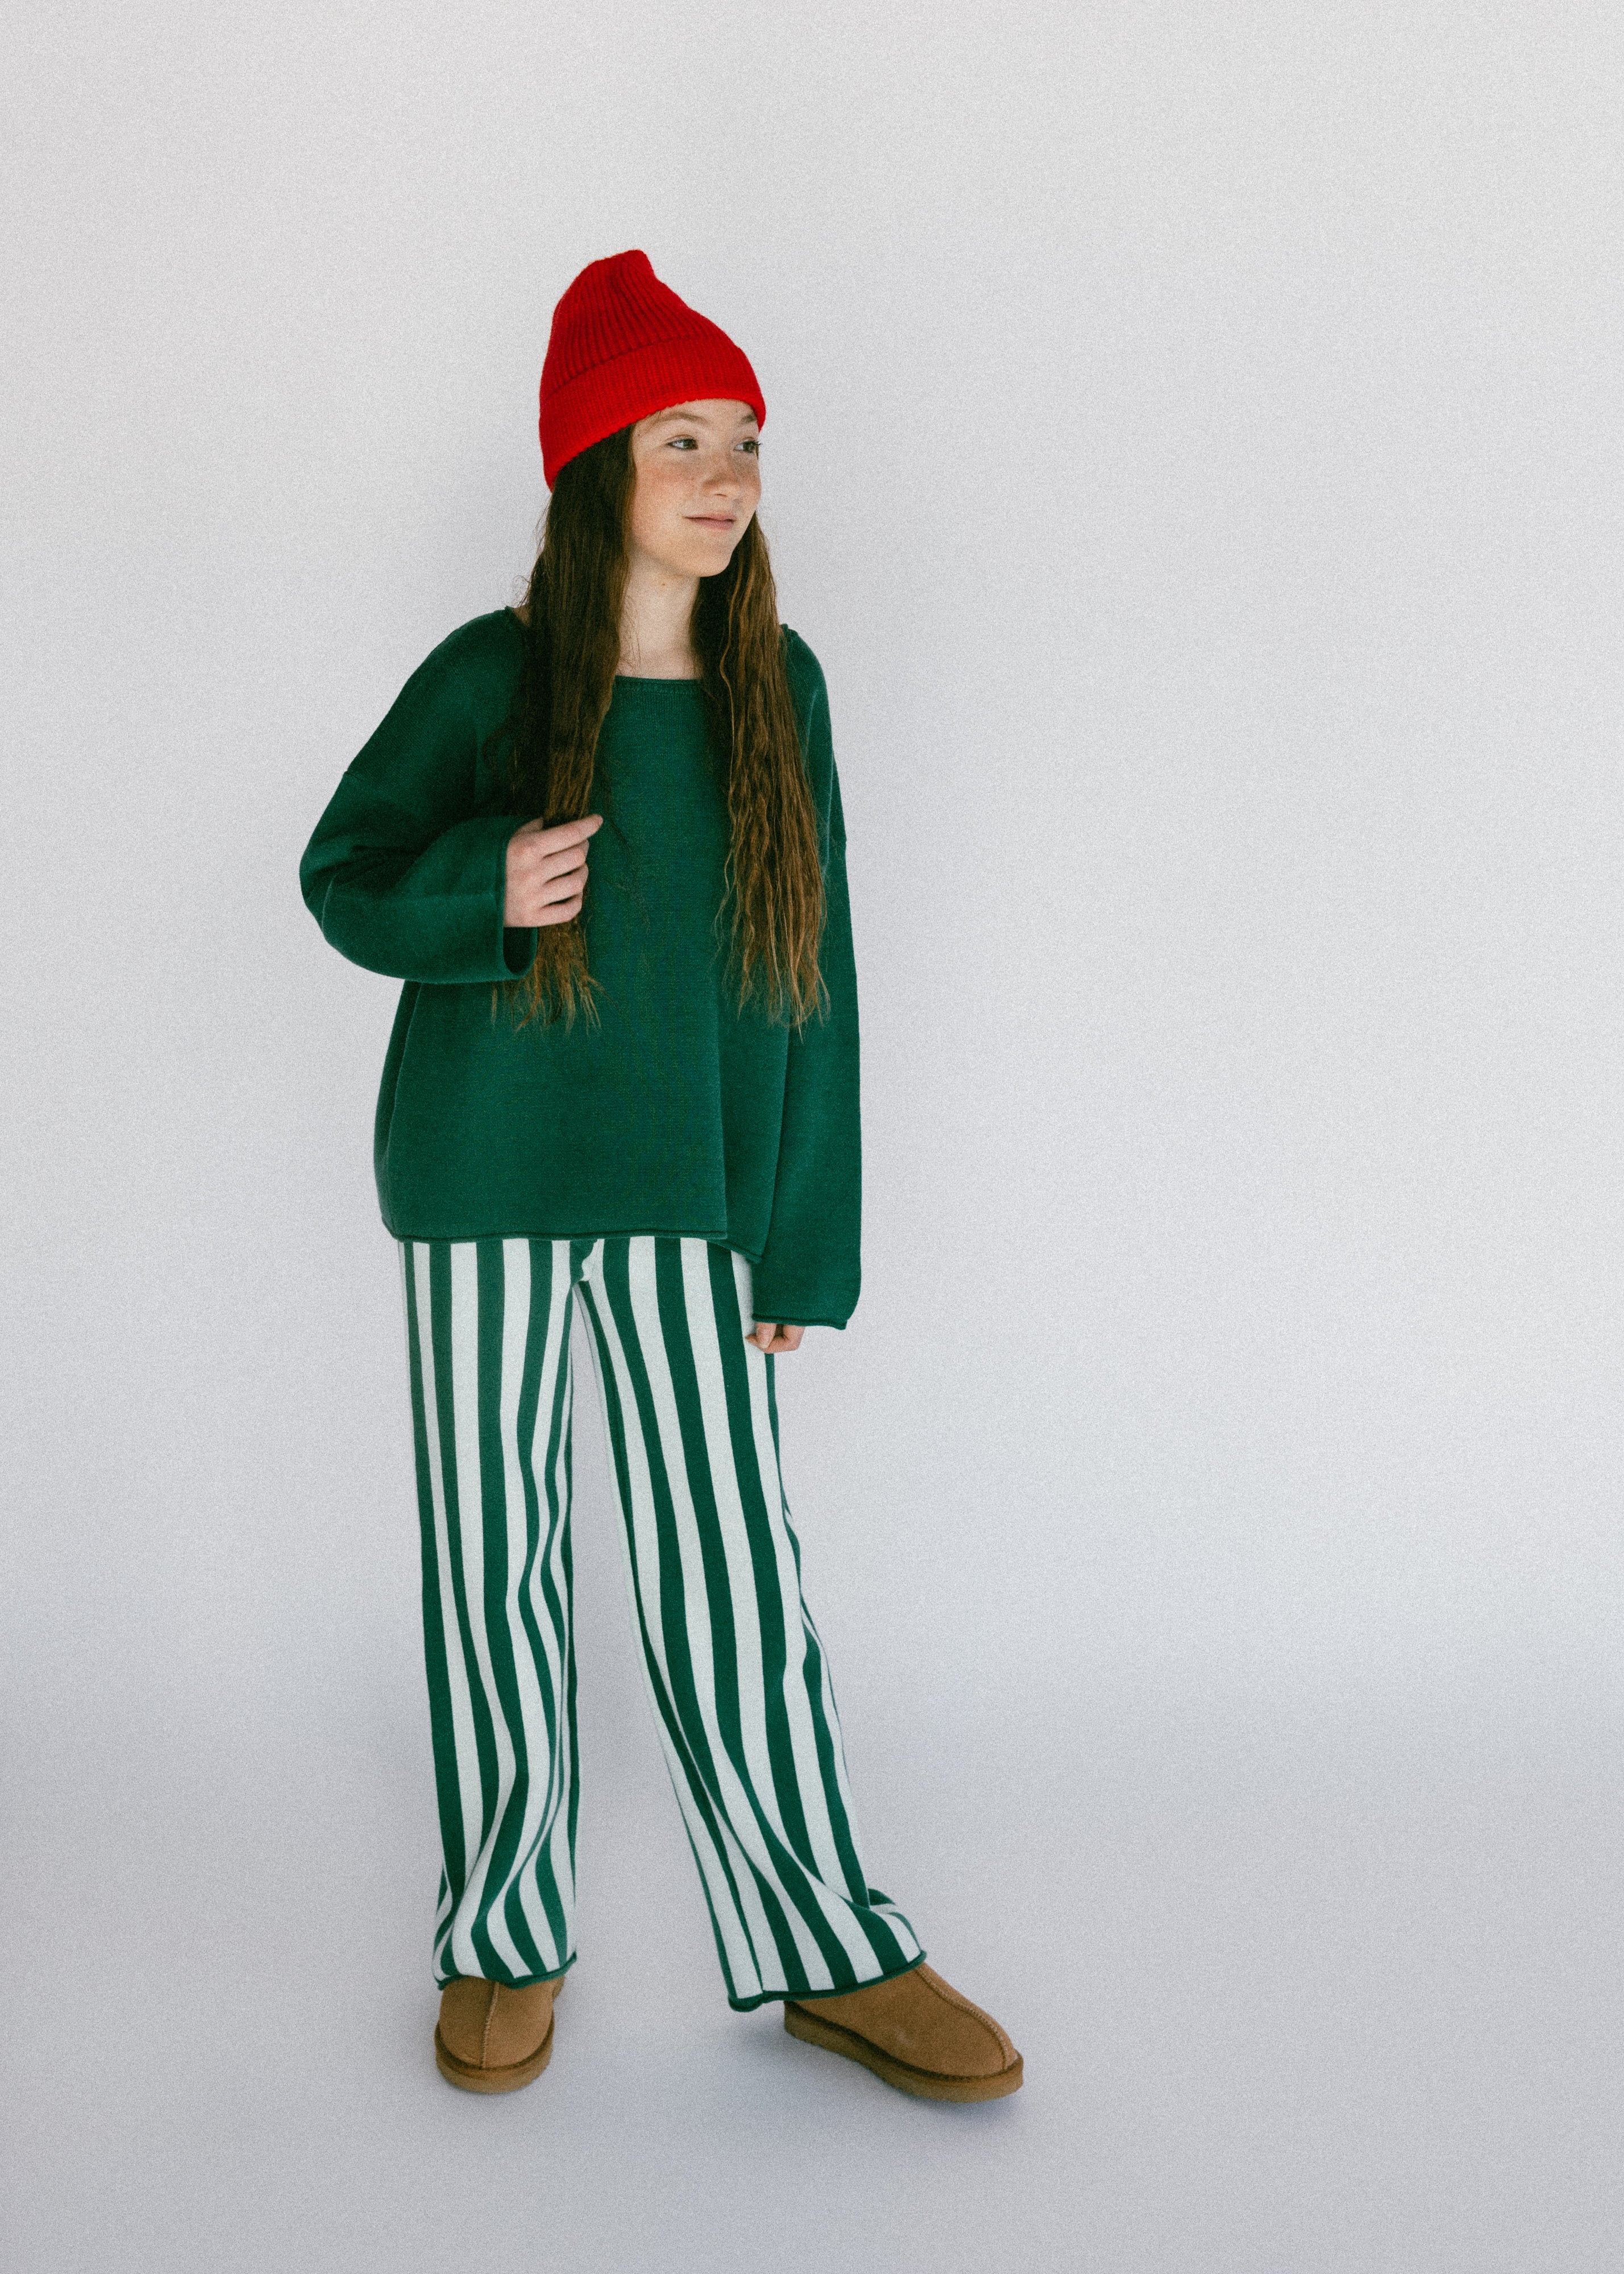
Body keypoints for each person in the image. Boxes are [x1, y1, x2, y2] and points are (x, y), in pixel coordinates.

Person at [298, 250, 1022, 2103]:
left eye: (745, 442)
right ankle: (502, 1934)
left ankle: (830, 1947)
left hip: (691, 1193)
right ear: (593, 467)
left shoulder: (779, 686)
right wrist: (479, 885)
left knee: (730, 1574)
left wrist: (801, 1236)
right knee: (492, 1566)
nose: (724, 477)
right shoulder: (487, 676)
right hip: (480, 1181)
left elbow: (813, 968)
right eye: (679, 440)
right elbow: (341, 874)